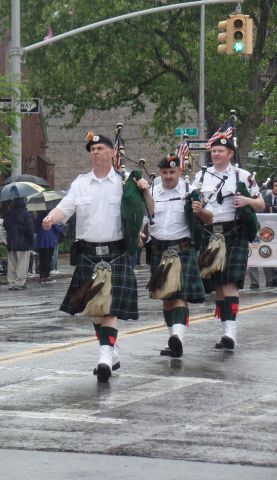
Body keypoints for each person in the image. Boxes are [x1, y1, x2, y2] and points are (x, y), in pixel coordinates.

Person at [42, 132, 152, 382]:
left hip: (116, 252)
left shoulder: (124, 183)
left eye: (100, 147)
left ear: (113, 153)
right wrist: (51, 218)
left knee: (109, 309)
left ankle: (104, 355)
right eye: (92, 148)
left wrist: (141, 217)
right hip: (88, 252)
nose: (95, 151)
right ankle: (110, 352)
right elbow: (66, 207)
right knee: (94, 311)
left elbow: (143, 213)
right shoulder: (81, 183)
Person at [192, 136, 263, 350]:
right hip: (210, 234)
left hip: (234, 233)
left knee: (230, 282)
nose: (215, 154)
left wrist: (247, 201)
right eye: (213, 151)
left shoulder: (243, 175)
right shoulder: (201, 176)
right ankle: (225, 331)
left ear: (230, 153)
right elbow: (192, 202)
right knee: (219, 286)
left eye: (220, 151)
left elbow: (260, 204)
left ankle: (231, 333)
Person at [145, 154, 212, 358]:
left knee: (180, 297)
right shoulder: (152, 192)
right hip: (158, 249)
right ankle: (173, 339)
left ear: (180, 171)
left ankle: (178, 337)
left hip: (182, 249)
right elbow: (144, 219)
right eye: (164, 172)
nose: (167, 176)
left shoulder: (191, 192)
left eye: (171, 172)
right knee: (166, 298)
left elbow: (209, 219)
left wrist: (200, 210)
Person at [2, 192, 34, 290]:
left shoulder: (9, 213)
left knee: (12, 265)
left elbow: (5, 225)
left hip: (11, 242)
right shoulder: (26, 214)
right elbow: (30, 229)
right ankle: (19, 283)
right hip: (23, 243)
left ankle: (11, 283)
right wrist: (31, 241)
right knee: (22, 265)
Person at [34, 211, 62, 283]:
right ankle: (46, 276)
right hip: (50, 241)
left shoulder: (38, 218)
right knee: (48, 259)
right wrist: (62, 225)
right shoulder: (51, 217)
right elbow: (58, 229)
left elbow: (35, 229)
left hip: (40, 242)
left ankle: (41, 277)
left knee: (42, 259)